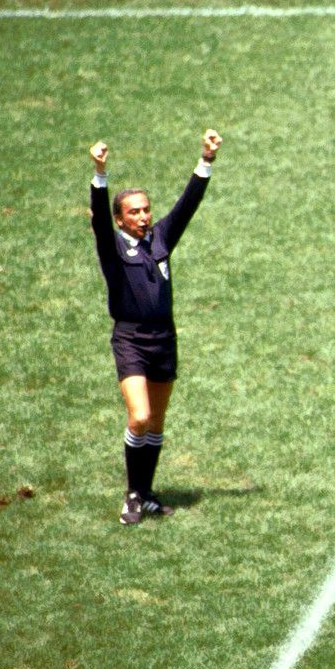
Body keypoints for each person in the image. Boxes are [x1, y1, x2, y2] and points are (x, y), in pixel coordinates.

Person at [89, 129, 222, 525]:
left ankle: (146, 494)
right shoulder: (113, 247)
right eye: (134, 212)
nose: (143, 216)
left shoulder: (161, 238)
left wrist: (206, 159)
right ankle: (132, 493)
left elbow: (187, 206)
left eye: (146, 210)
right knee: (140, 417)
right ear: (120, 219)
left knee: (157, 424)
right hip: (131, 340)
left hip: (165, 339)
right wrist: (99, 173)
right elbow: (99, 220)